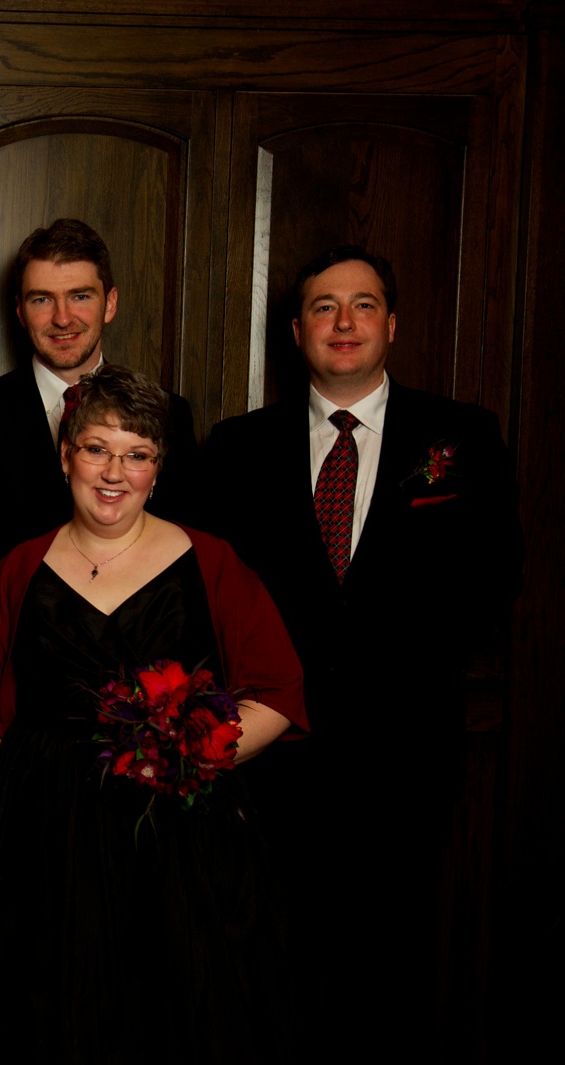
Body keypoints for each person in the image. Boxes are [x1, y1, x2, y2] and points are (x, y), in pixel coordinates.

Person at [0, 364, 306, 1064]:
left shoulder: (211, 563)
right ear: (66, 457)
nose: (114, 471)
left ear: (158, 467)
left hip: (178, 836)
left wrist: (197, 754)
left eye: (138, 453)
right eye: (96, 449)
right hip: (41, 835)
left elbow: (277, 693)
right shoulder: (16, 570)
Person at [202, 246, 522, 1054]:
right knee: (272, 958)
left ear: (392, 324)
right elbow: (211, 591)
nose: (344, 322)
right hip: (277, 759)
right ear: (296, 330)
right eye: (324, 306)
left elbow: (495, 577)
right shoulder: (238, 446)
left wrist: (402, 667)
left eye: (364, 304)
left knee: (391, 964)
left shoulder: (463, 437)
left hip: (405, 752)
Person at [0, 218, 200, 663]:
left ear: (110, 303)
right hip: (11, 682)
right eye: (42, 299)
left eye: (80, 296)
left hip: (139, 686)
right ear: (19, 310)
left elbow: (186, 559)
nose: (62, 318)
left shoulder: (169, 413)